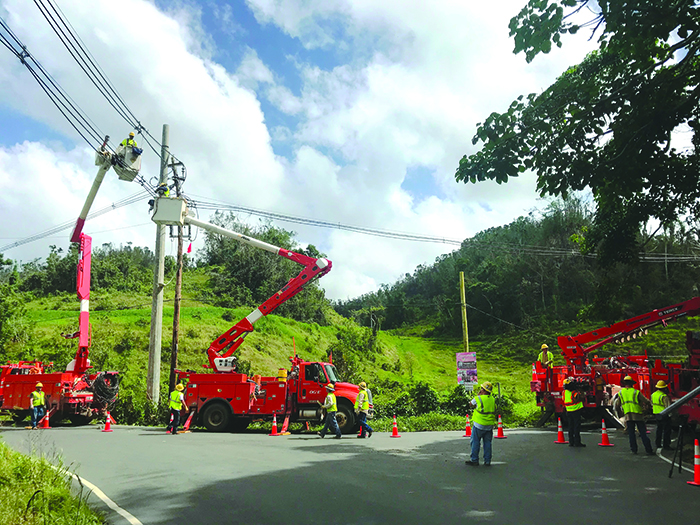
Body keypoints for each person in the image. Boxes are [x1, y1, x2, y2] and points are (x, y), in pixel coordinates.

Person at [614, 375, 654, 455]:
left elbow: (617, 405)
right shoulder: (636, 392)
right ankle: (648, 450)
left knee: (631, 434)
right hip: (638, 415)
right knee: (643, 433)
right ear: (632, 384)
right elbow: (646, 401)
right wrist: (649, 407)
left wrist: (620, 413)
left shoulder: (621, 393)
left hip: (628, 416)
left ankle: (634, 449)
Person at [465, 381, 496, 467]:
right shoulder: (493, 399)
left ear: (484, 390)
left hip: (479, 425)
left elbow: (470, 404)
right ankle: (487, 461)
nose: (480, 390)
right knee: (487, 443)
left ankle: (474, 460)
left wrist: (478, 396)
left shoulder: (478, 398)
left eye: (482, 388)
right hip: (489, 425)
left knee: (475, 442)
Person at [563, 378, 585, 447]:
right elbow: (581, 398)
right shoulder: (574, 393)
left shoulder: (564, 392)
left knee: (570, 427)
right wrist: (581, 391)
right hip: (576, 411)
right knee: (576, 427)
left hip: (568, 411)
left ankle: (571, 442)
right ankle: (577, 442)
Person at [651, 380, 672, 450]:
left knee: (659, 429)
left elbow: (652, 404)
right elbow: (668, 407)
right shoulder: (664, 396)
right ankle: (666, 445)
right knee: (667, 430)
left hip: (656, 414)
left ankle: (658, 443)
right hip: (664, 415)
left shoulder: (653, 394)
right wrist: (670, 415)